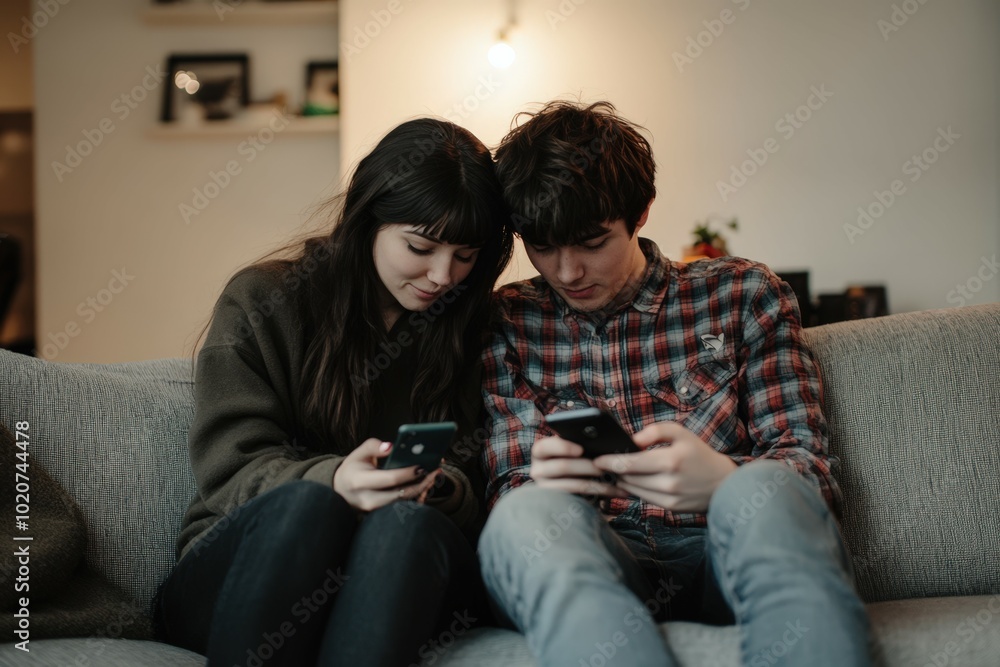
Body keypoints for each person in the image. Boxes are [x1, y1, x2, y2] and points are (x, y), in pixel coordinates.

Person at [477, 101, 872, 666]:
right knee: (523, 516)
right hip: (594, 558)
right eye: (541, 247)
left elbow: (808, 469)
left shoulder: (743, 295)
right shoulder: (506, 322)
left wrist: (725, 481)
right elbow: (509, 484)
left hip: (723, 551)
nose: (567, 272)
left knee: (767, 493)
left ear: (640, 214)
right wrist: (546, 484)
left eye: (592, 243)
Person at [154, 117, 513, 666]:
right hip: (248, 565)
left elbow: (485, 479)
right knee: (308, 504)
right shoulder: (265, 301)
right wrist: (338, 480)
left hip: (397, 563)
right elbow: (231, 467)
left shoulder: (471, 326)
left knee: (404, 525)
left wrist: (440, 488)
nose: (444, 275)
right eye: (420, 246)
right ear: (367, 218)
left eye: (465, 256)